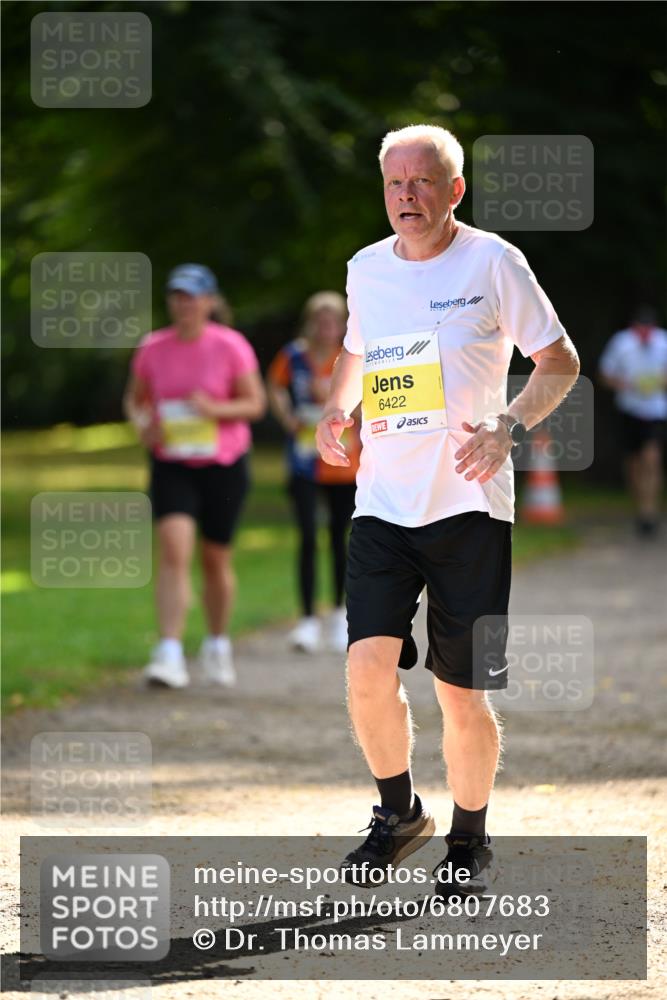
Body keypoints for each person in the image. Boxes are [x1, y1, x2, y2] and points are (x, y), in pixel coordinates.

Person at [315, 124, 580, 893]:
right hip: (382, 505)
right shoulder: (365, 269)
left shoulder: (493, 261)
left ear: (453, 189)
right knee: (366, 667)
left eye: (422, 181)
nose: (407, 195)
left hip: (468, 506)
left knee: (460, 693)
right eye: (394, 183)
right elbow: (356, 353)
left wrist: (507, 426)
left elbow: (557, 360)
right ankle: (398, 812)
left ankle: (468, 841)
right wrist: (338, 410)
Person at [123, 264, 266, 689]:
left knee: (215, 558)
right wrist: (143, 424)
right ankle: (168, 652)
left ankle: (218, 643)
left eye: (191, 296)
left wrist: (215, 409)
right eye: (176, 296)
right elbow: (134, 400)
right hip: (172, 462)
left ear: (209, 301)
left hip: (224, 464)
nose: (183, 304)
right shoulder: (152, 347)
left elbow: (255, 404)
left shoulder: (230, 345)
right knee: (174, 549)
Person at [267, 292, 361, 653]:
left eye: (332, 321)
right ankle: (306, 619)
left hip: (342, 461)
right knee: (307, 535)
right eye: (320, 321)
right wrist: (287, 416)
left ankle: (338, 614)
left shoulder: (352, 355)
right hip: (304, 458)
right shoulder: (294, 356)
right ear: (310, 323)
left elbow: (370, 398)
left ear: (342, 324)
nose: (326, 328)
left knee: (340, 538)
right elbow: (274, 386)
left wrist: (342, 405)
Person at [598, 306, 667, 537]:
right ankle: (640, 507)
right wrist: (625, 384)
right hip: (629, 410)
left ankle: (650, 511)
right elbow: (605, 374)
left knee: (652, 458)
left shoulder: (663, 342)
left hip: (655, 411)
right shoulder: (621, 343)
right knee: (634, 463)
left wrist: (659, 382)